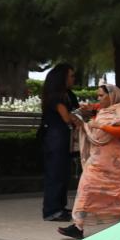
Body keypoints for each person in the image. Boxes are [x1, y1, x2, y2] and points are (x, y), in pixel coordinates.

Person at [58, 82, 120, 240]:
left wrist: (100, 125)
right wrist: (84, 115)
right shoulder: (100, 111)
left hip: (117, 162)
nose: (99, 98)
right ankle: (78, 226)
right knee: (86, 188)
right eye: (98, 95)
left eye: (102, 95)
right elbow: (82, 123)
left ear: (112, 96)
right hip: (97, 160)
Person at [39, 62, 80, 222]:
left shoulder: (68, 94)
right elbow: (67, 117)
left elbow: (75, 112)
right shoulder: (56, 96)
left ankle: (60, 207)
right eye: (71, 76)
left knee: (63, 173)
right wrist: (77, 118)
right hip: (55, 138)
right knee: (55, 173)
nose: (73, 79)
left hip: (64, 138)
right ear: (62, 77)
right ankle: (51, 210)